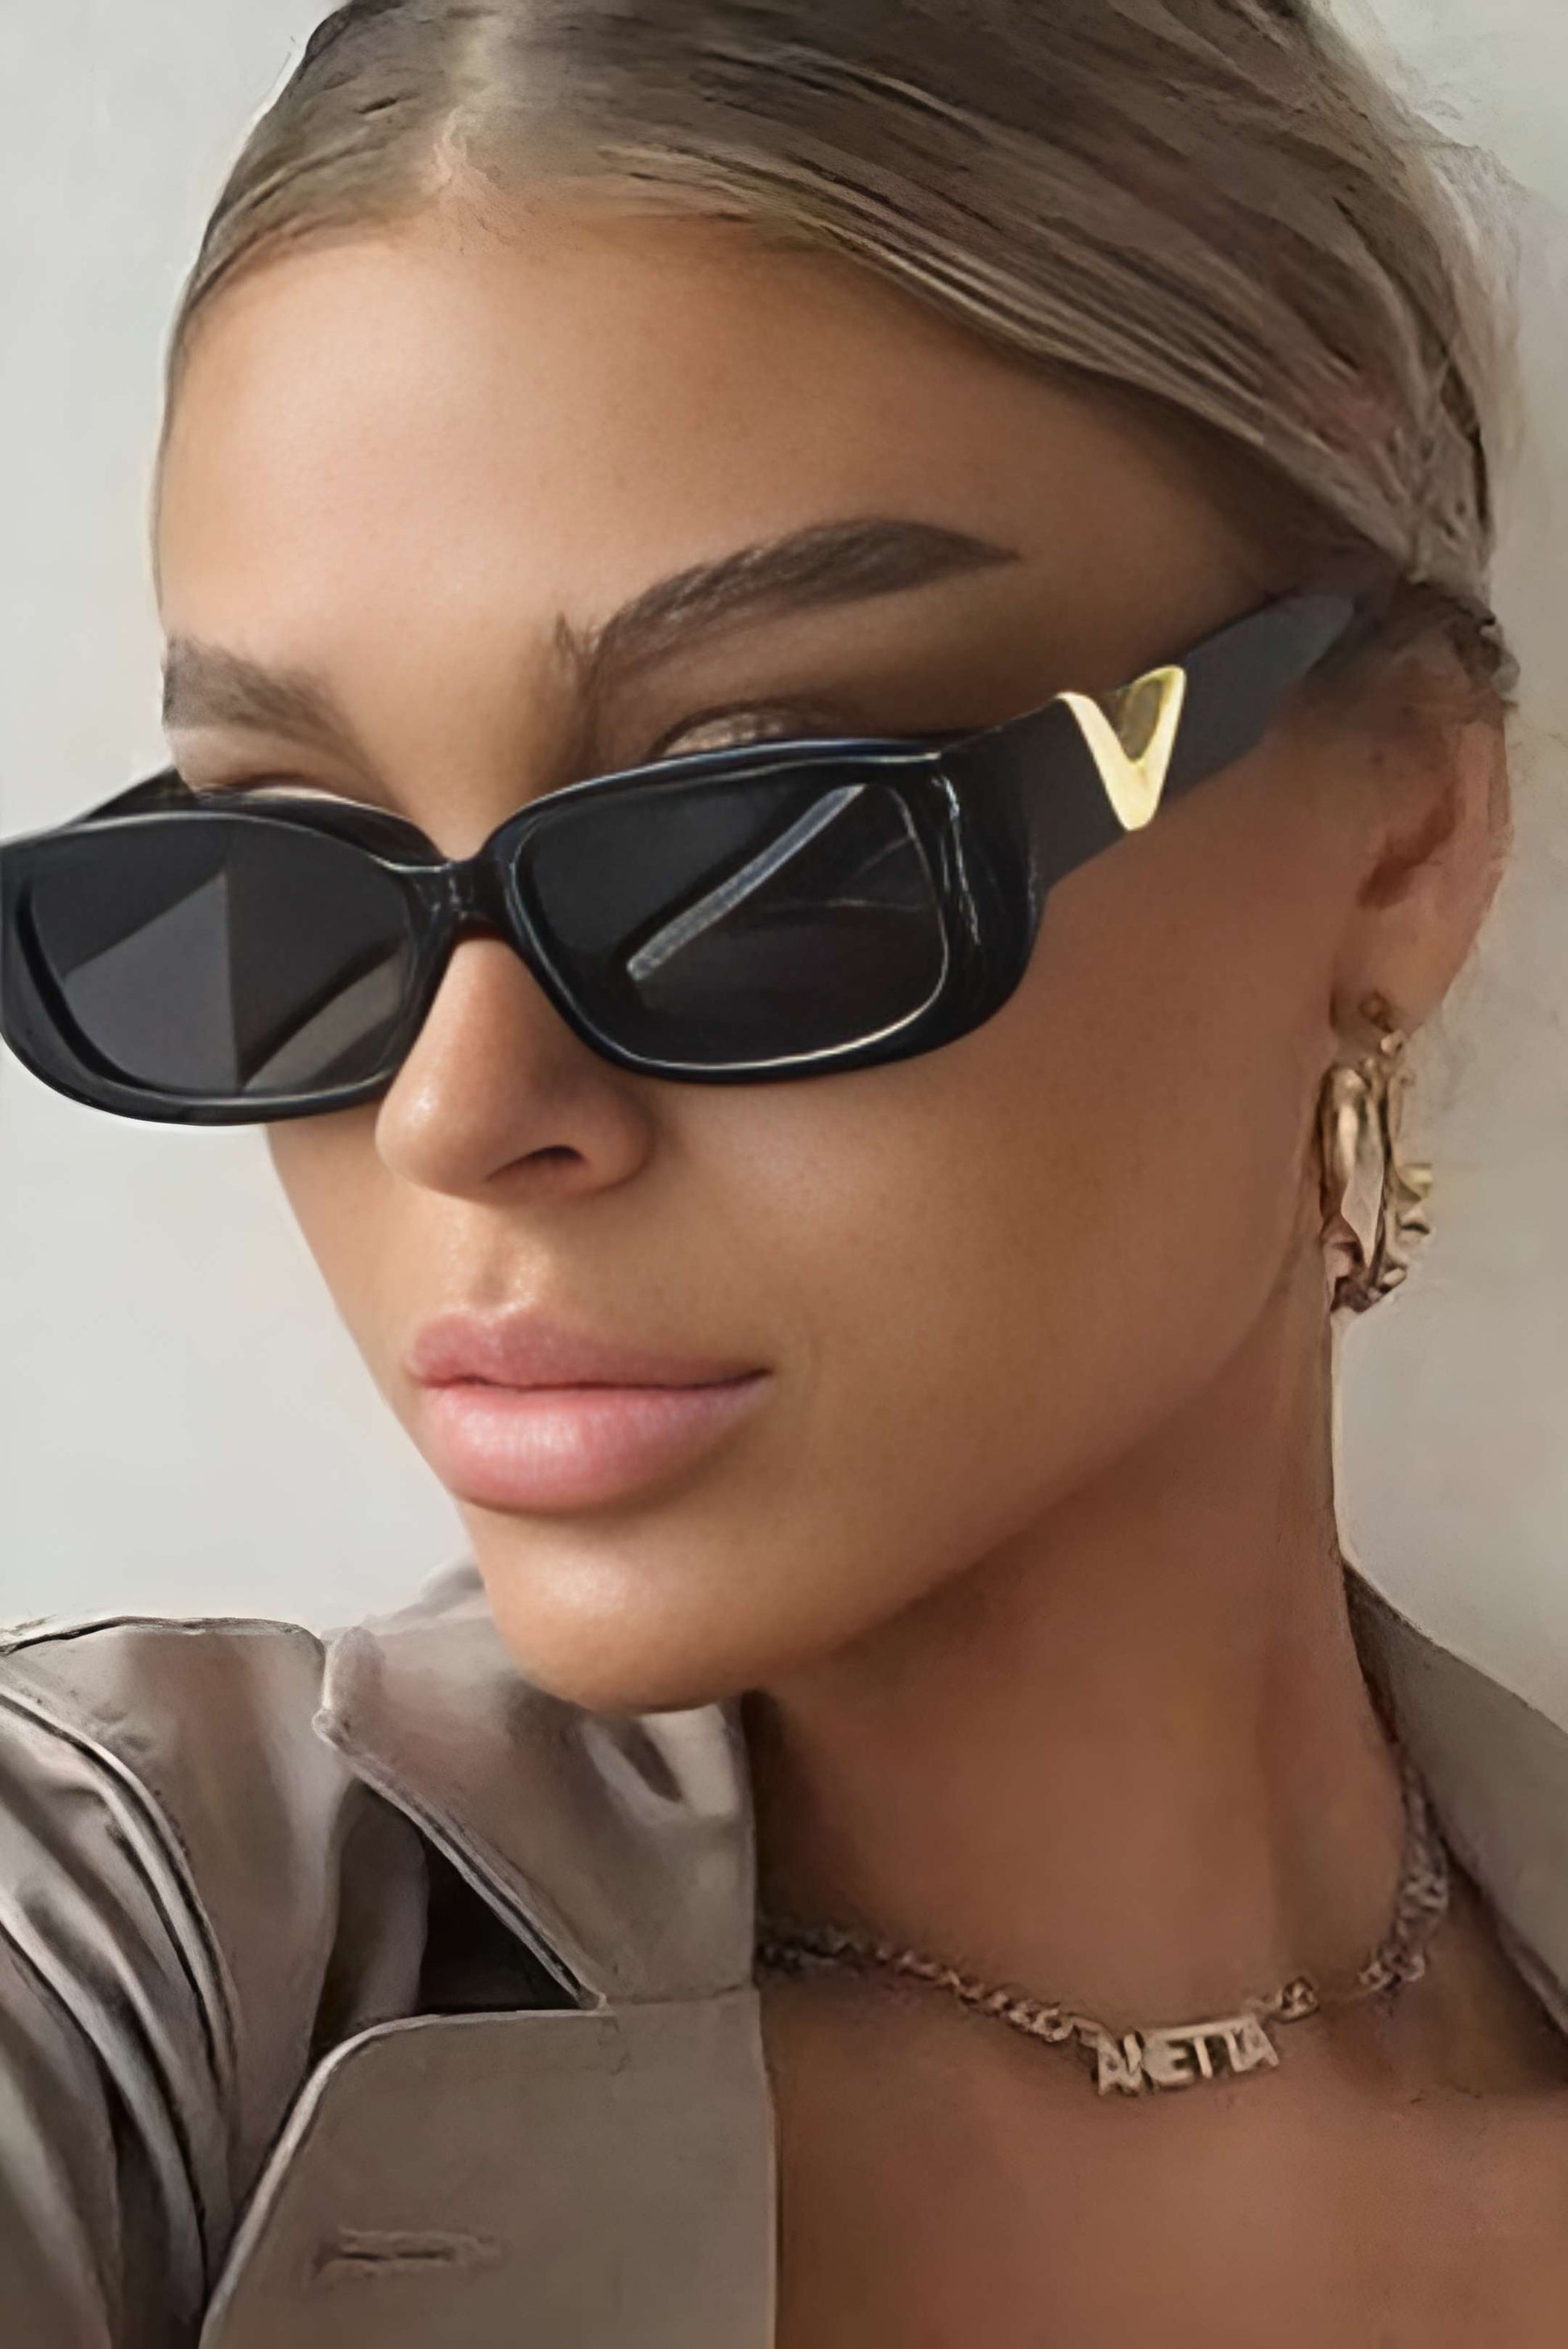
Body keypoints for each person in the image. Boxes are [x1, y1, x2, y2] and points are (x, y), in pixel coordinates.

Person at [1, 0, 1565, 2341]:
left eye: (761, 847)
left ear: (1398, 830)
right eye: (283, 886)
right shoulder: (126, 1969)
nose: (451, 1110)